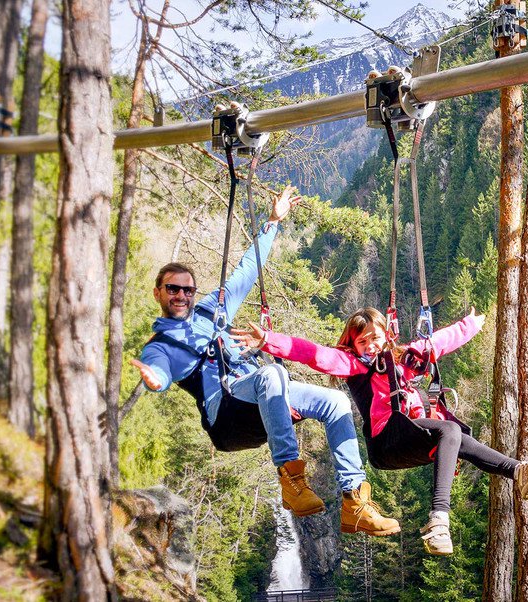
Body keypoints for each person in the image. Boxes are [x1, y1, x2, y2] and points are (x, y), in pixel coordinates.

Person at [129, 186, 399, 536]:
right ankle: (292, 480)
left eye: (187, 290)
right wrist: (155, 378)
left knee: (334, 401)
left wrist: (272, 222)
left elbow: (245, 272)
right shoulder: (162, 343)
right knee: (271, 373)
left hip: (263, 398)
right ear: (158, 293)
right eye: (172, 289)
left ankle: (355, 502)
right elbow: (159, 371)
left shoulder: (212, 310)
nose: (181, 295)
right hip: (227, 414)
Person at [231, 307, 528, 556]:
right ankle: (439, 520)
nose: (370, 345)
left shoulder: (403, 359)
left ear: (387, 334)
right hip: (386, 443)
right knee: (449, 432)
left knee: (457, 437)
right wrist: (270, 341)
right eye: (362, 341)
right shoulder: (354, 365)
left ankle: (519, 473)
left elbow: (438, 343)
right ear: (353, 345)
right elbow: (318, 355)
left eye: (375, 337)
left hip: (408, 435)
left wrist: (471, 324)